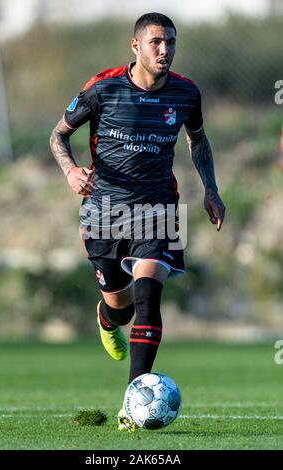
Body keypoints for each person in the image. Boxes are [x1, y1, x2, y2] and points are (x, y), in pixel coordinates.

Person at [50, 12, 225, 431]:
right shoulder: (103, 87)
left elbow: (197, 139)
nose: (165, 50)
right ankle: (108, 319)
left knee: (149, 295)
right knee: (122, 308)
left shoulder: (186, 93)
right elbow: (58, 136)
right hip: (105, 212)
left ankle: (132, 404)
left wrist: (211, 190)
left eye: (171, 42)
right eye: (156, 43)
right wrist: (72, 171)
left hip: (159, 208)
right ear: (136, 46)